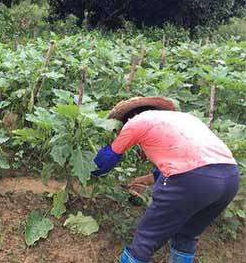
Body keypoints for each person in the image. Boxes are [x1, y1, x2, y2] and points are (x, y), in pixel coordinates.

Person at [91, 97, 239, 263]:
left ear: (127, 118)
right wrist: (148, 178)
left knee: (145, 242)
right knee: (187, 234)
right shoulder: (186, 118)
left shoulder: (135, 123)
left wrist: (90, 174)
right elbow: (195, 158)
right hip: (230, 177)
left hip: (190, 180)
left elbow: (107, 159)